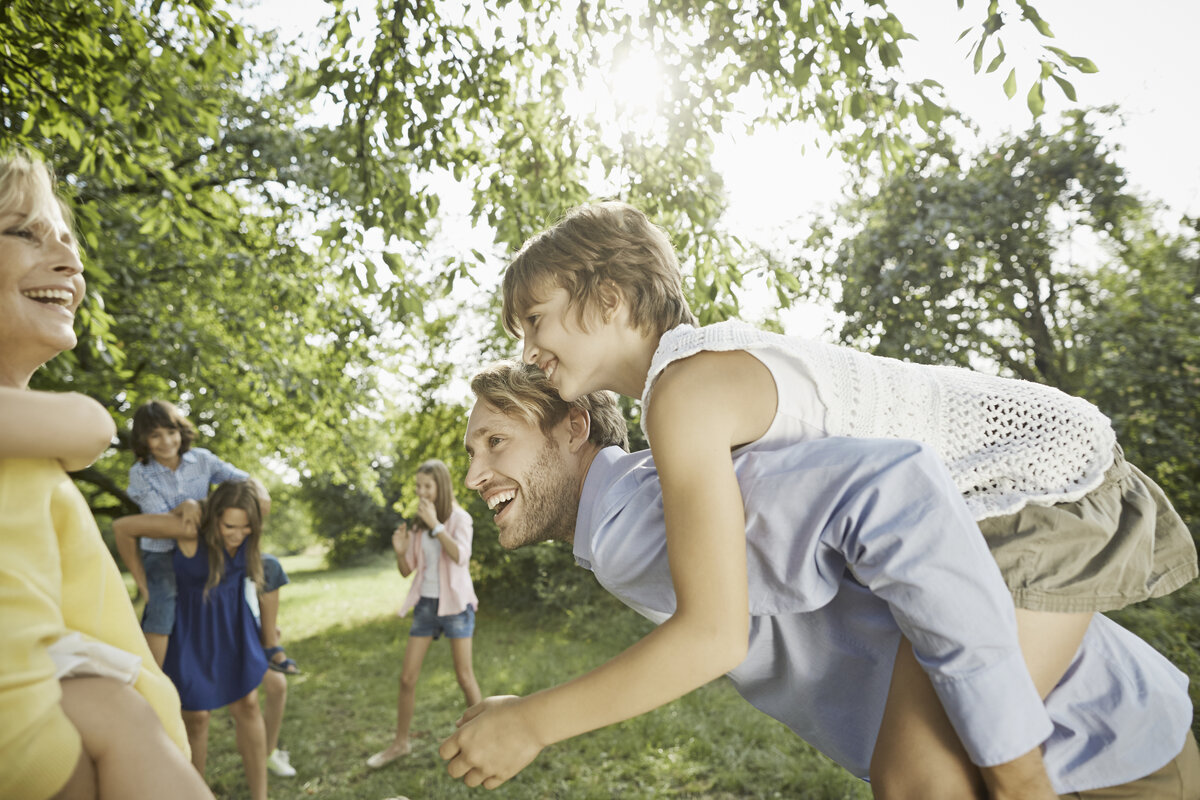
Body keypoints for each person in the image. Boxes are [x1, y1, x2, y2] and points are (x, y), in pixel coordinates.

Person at [497, 202, 1198, 796]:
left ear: (610, 298)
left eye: (535, 319)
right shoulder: (698, 378)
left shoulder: (685, 393)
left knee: (921, 779)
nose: (528, 349)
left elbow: (716, 629)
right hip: (1001, 494)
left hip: (1039, 480)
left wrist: (533, 721)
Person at [440, 360, 1200, 797]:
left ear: (575, 430)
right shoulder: (643, 506)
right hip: (1097, 739)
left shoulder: (642, 507)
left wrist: (534, 721)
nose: (475, 473)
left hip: (1094, 761)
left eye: (495, 442)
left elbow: (893, 487)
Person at [0, 149, 213, 799]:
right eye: (25, 231)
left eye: (68, 239)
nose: (69, 260)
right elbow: (90, 426)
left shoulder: (30, 453)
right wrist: (58, 739)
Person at [113, 481, 276, 800]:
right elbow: (123, 528)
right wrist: (144, 584)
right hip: (191, 628)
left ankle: (261, 797)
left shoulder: (250, 518)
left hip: (233, 623)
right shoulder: (188, 529)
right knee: (196, 718)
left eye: (246, 528)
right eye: (229, 526)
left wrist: (243, 488)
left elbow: (258, 489)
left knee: (249, 704)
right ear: (214, 517)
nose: (237, 535)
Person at [367, 459, 483, 769]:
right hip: (426, 607)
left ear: (440, 487)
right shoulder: (418, 525)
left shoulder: (460, 519)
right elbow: (408, 571)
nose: (421, 492)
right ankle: (400, 743)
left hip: (456, 607)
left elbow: (460, 557)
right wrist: (400, 550)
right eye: (418, 486)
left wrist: (436, 525)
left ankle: (484, 739)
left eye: (427, 486)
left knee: (464, 676)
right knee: (406, 678)